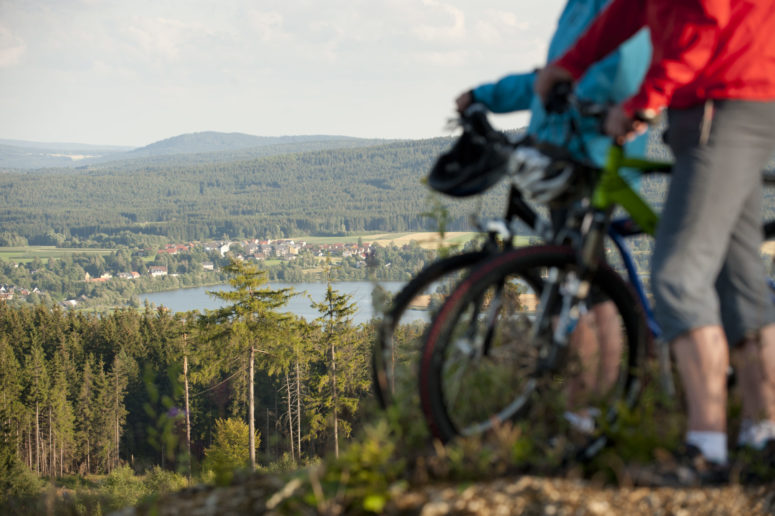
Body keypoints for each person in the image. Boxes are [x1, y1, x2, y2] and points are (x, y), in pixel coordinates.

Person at [536, 0, 775, 482]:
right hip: (731, 91)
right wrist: (570, 64)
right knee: (739, 278)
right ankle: (763, 436)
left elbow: (706, 16)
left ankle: (706, 449)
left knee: (677, 277)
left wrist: (650, 95)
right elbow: (630, 12)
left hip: (724, 95)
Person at [455, 0, 651, 433]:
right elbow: (550, 77)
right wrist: (485, 95)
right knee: (585, 285)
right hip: (560, 156)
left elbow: (624, 67)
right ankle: (589, 410)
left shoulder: (612, 6)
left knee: (580, 288)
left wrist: (579, 96)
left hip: (592, 155)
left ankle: (585, 410)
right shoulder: (577, 7)